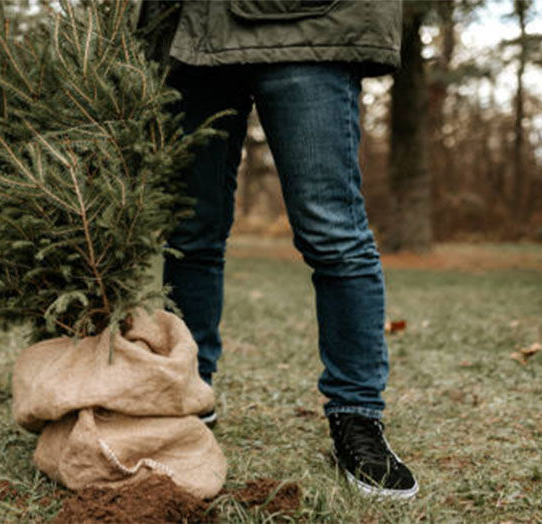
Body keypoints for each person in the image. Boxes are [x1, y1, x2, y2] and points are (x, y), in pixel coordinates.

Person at [142, 1, 418, 499]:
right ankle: (189, 392)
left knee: (333, 235)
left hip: (310, 21)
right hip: (192, 32)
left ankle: (357, 417)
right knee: (189, 233)